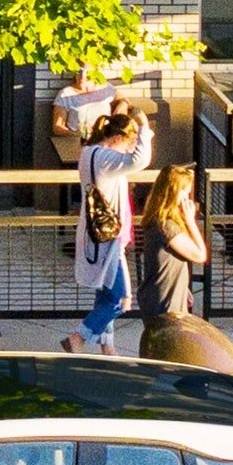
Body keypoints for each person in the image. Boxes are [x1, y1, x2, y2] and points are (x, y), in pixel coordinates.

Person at [63, 110, 152, 356]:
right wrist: (144, 129)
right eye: (129, 143)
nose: (129, 149)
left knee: (105, 293)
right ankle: (78, 337)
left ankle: (107, 346)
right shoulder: (106, 158)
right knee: (120, 299)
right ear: (120, 138)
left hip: (96, 234)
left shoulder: (88, 153)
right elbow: (140, 160)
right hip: (109, 239)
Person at [135, 164, 210, 321]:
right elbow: (200, 255)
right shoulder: (166, 226)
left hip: (162, 296)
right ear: (172, 191)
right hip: (164, 301)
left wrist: (183, 289)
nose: (186, 198)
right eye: (184, 192)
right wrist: (191, 221)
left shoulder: (157, 219)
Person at [50, 67, 116, 167]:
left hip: (104, 140)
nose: (82, 76)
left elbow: (122, 99)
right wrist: (75, 134)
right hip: (79, 142)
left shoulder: (105, 87)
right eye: (79, 71)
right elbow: (57, 127)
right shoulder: (66, 93)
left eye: (87, 72)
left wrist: (122, 105)